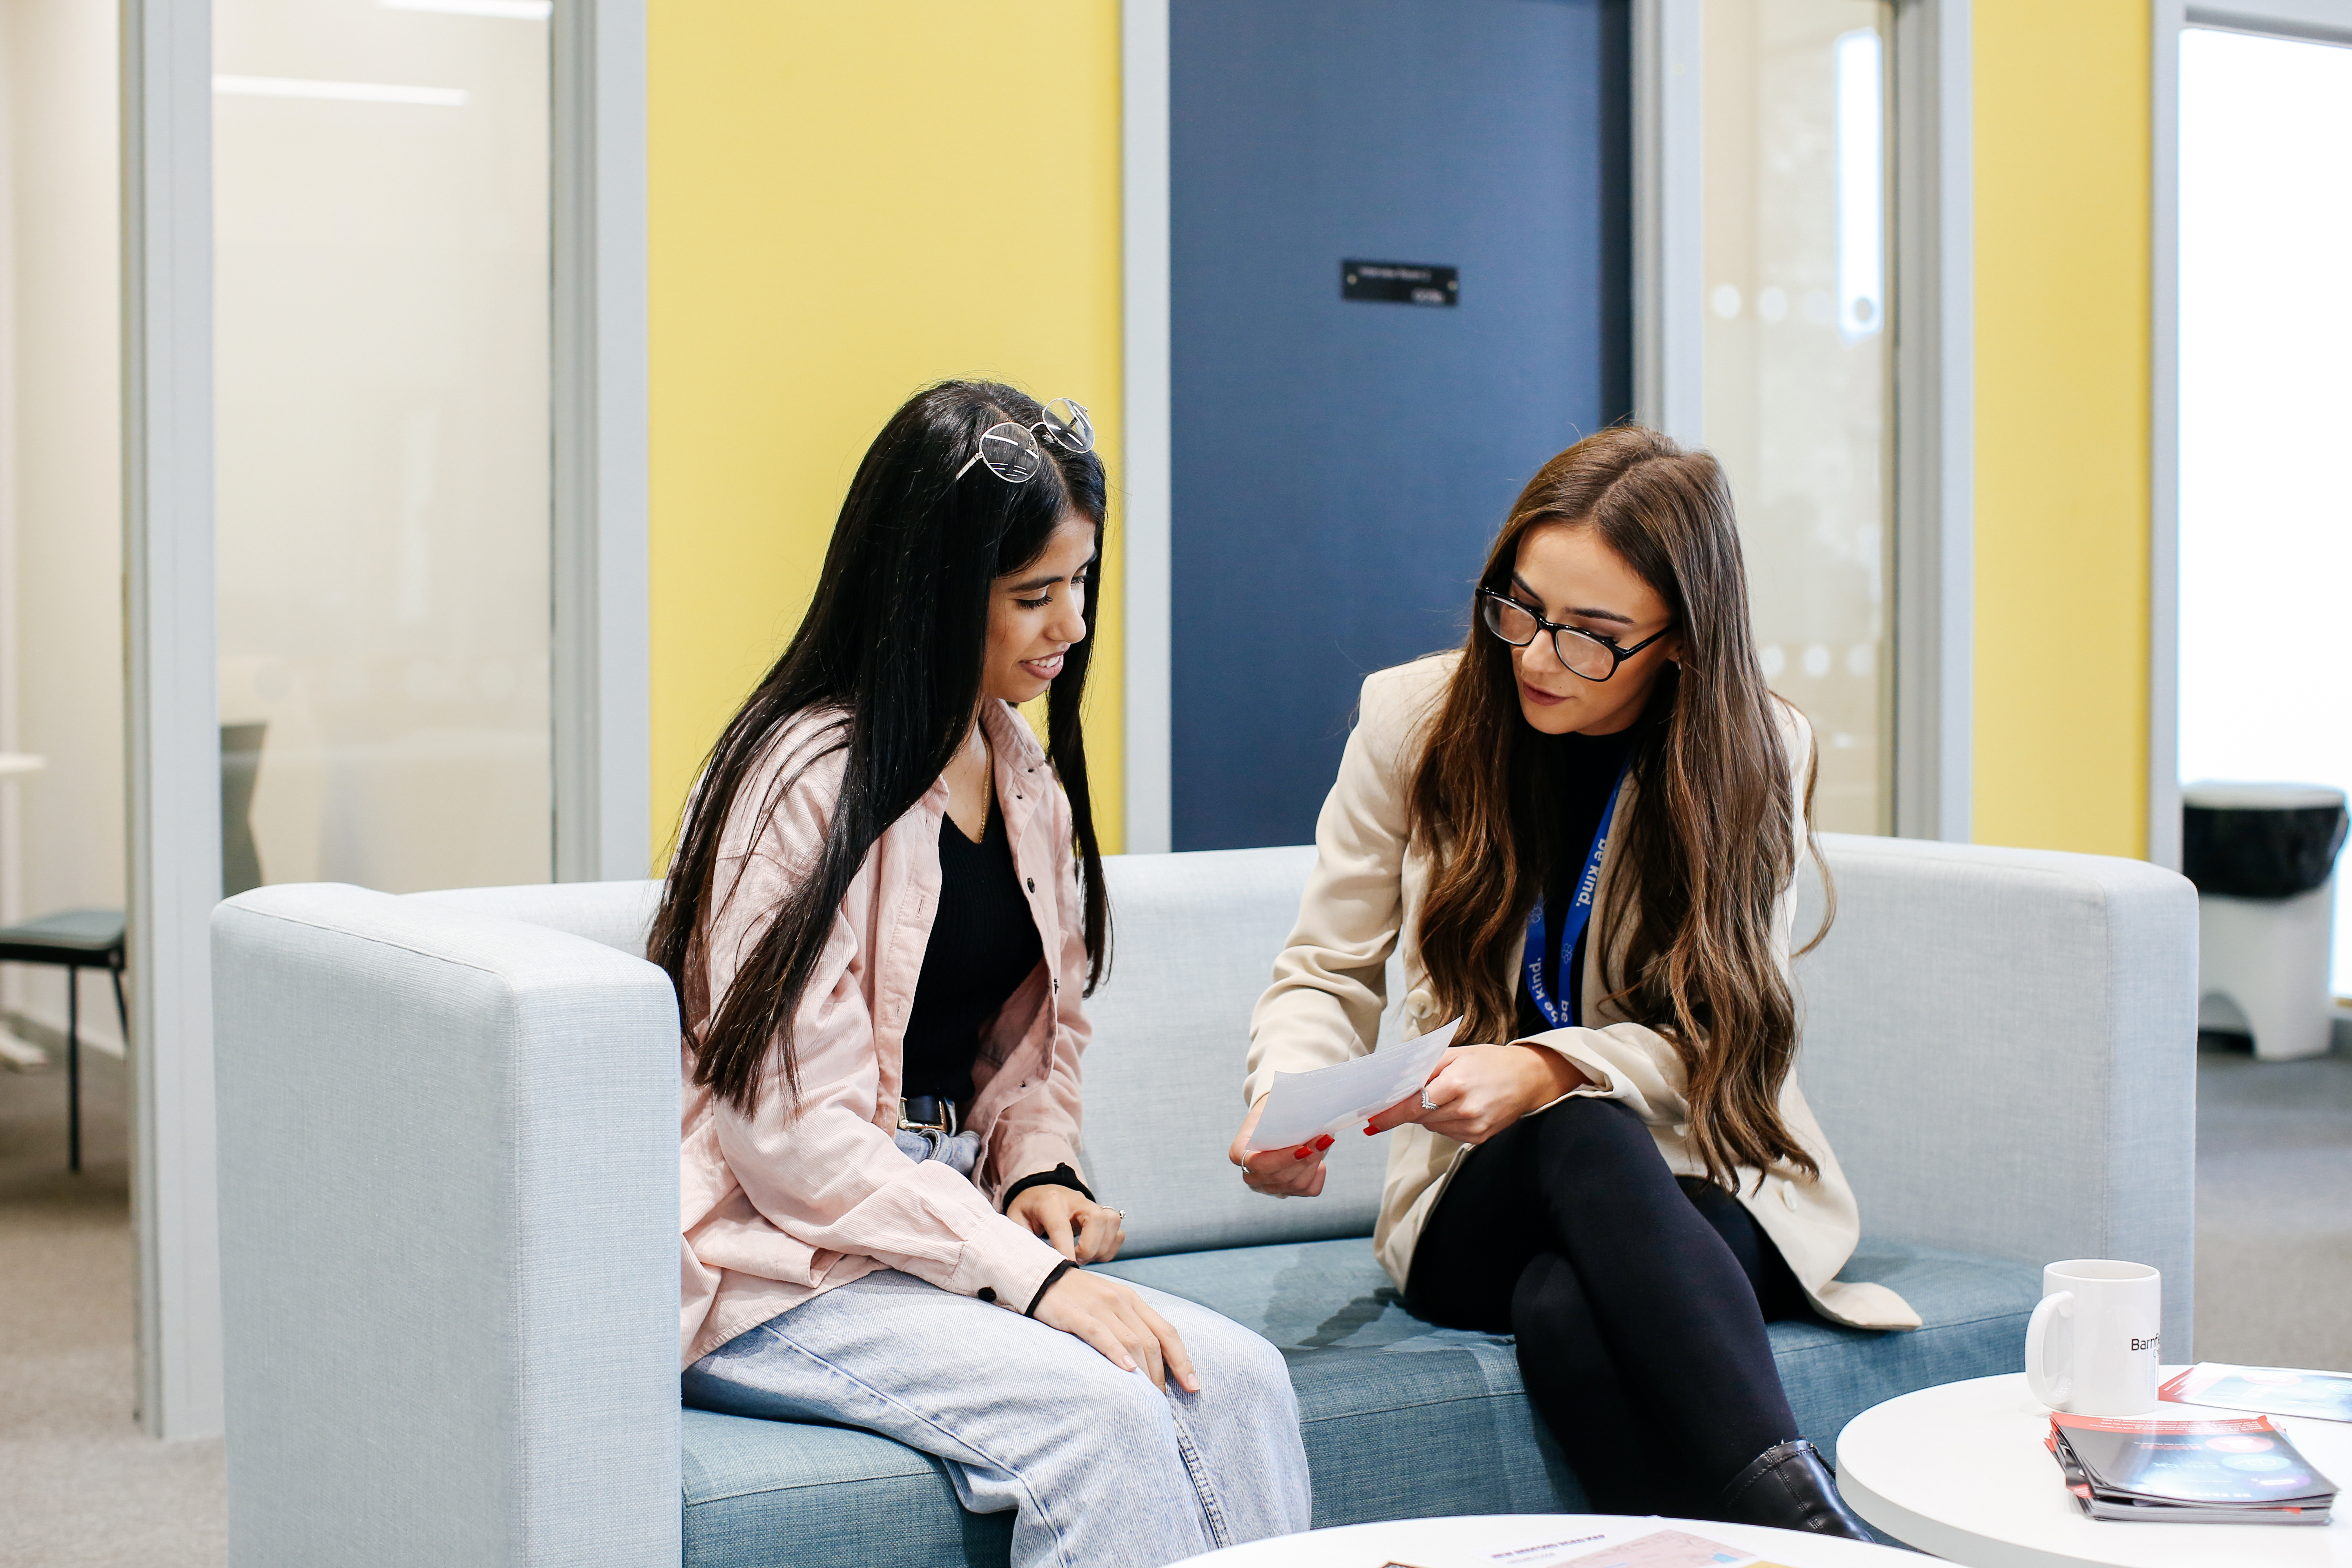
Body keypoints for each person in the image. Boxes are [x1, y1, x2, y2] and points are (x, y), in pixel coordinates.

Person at [660, 381, 1312, 1568]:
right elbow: (789, 1143)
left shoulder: (1019, 772)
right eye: (1033, 595)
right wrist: (1031, 1277)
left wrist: (1037, 1174)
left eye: (1080, 585)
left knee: (1242, 1381)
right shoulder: (799, 781)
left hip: (932, 1220)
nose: (1070, 626)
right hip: (781, 1258)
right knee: (1104, 1417)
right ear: (929, 592)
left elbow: (1029, 1051)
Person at [1227, 426, 1916, 1537]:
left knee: (1567, 1301)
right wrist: (1290, 1093)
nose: (1539, 656)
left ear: (1684, 644)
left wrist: (1545, 1066)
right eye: (1521, 608)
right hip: (1472, 1192)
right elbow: (1325, 967)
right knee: (1575, 1138)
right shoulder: (1415, 721)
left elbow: (1725, 1030)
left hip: (1697, 1174)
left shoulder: (1756, 752)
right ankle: (1812, 1536)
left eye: (1594, 637)